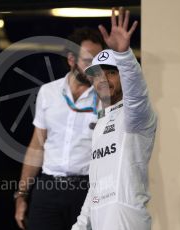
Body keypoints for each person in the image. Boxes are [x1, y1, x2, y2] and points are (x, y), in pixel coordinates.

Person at [71, 7, 157, 230]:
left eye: (111, 72)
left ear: (123, 76)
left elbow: (137, 95)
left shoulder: (135, 116)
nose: (102, 79)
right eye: (97, 74)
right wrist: (80, 226)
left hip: (126, 220)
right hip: (100, 218)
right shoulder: (100, 123)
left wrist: (124, 56)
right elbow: (95, 186)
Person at [14, 28, 105, 230]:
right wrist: (22, 194)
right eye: (89, 61)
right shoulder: (48, 92)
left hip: (87, 190)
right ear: (71, 59)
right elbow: (37, 145)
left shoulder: (106, 97)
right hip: (48, 188)